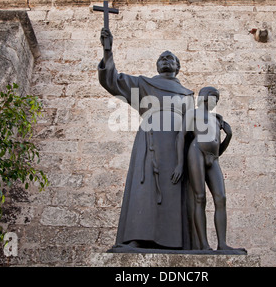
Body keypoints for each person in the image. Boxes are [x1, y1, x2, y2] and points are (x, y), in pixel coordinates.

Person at [98, 28, 194, 250]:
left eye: (170, 57)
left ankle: (179, 242)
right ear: (157, 65)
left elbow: (193, 124)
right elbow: (113, 81)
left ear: (178, 66)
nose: (165, 60)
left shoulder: (188, 94)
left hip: (178, 145)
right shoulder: (143, 84)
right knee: (145, 187)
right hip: (150, 141)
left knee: (176, 187)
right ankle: (136, 239)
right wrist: (108, 50)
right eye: (161, 58)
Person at [171, 86, 234, 250]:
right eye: (215, 98)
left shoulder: (216, 119)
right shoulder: (193, 113)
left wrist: (229, 135)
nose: (216, 102)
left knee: (221, 198)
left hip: (213, 159)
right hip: (196, 151)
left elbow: (218, 150)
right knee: (200, 197)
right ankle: (203, 245)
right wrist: (179, 163)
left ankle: (222, 244)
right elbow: (181, 136)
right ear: (205, 97)